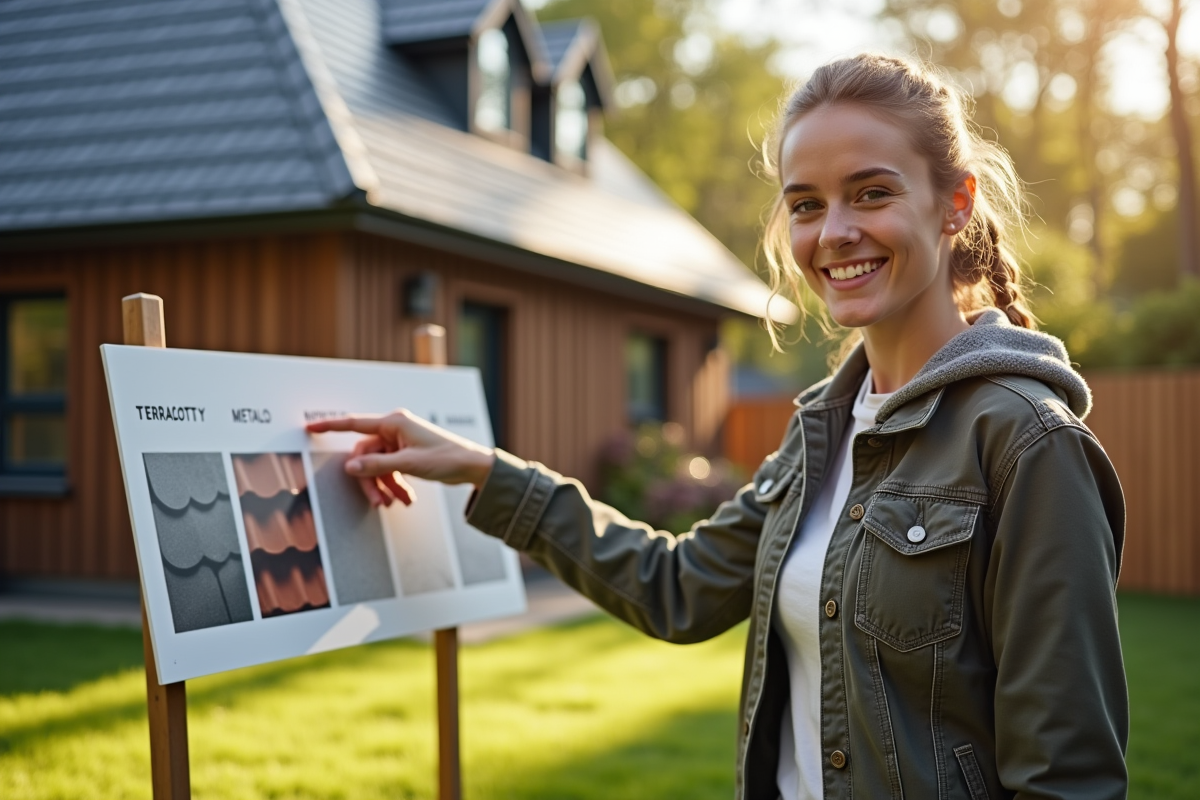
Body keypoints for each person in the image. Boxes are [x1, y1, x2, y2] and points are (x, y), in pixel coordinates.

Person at [307, 53, 1127, 800]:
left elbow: (1068, 779)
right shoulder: (822, 433)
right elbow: (678, 586)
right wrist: (484, 471)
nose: (833, 232)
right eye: (807, 204)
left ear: (956, 205)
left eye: (871, 193)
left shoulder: (1028, 445)